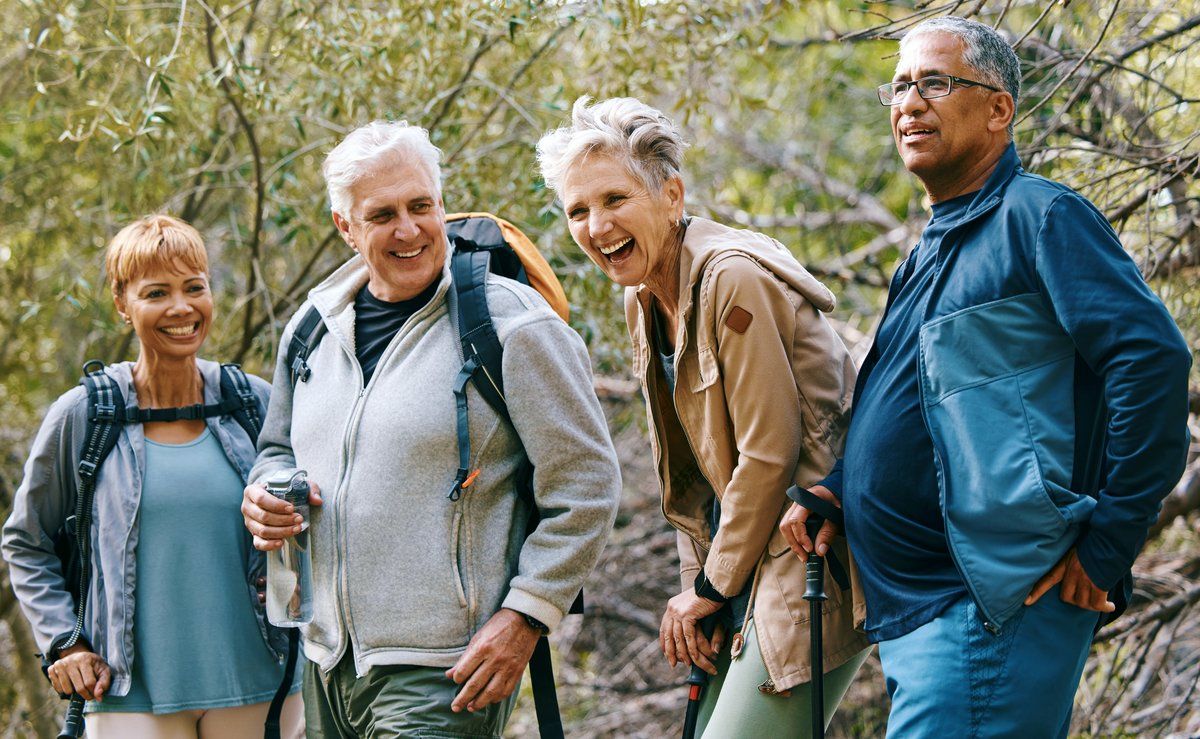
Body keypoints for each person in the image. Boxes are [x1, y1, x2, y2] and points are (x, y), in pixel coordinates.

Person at [779, 16, 1192, 737]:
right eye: (900, 87)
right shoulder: (928, 249)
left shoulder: (1040, 217)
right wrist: (841, 489)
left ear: (999, 109)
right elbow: (922, 403)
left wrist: (1108, 542)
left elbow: (1152, 362)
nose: (910, 103)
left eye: (936, 83)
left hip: (992, 602)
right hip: (927, 612)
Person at [239, 120, 621, 737]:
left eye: (421, 206)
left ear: (441, 204)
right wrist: (264, 493)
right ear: (345, 227)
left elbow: (587, 485)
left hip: (446, 669)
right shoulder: (313, 328)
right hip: (326, 663)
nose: (409, 229)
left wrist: (528, 614)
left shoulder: (512, 326)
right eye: (382, 215)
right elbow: (276, 449)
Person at [537, 97, 871, 737]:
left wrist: (712, 587)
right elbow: (688, 469)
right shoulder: (643, 298)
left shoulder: (730, 279)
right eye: (578, 210)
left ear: (671, 196)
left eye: (614, 199)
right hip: (746, 555)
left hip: (812, 553)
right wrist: (700, 587)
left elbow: (770, 454)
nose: (597, 225)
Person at [1, 215, 303, 738]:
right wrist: (65, 642)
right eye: (156, 293)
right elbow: (26, 544)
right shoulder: (86, 416)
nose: (181, 308)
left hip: (263, 682)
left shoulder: (251, 403)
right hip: (129, 693)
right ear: (122, 303)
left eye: (194, 288)